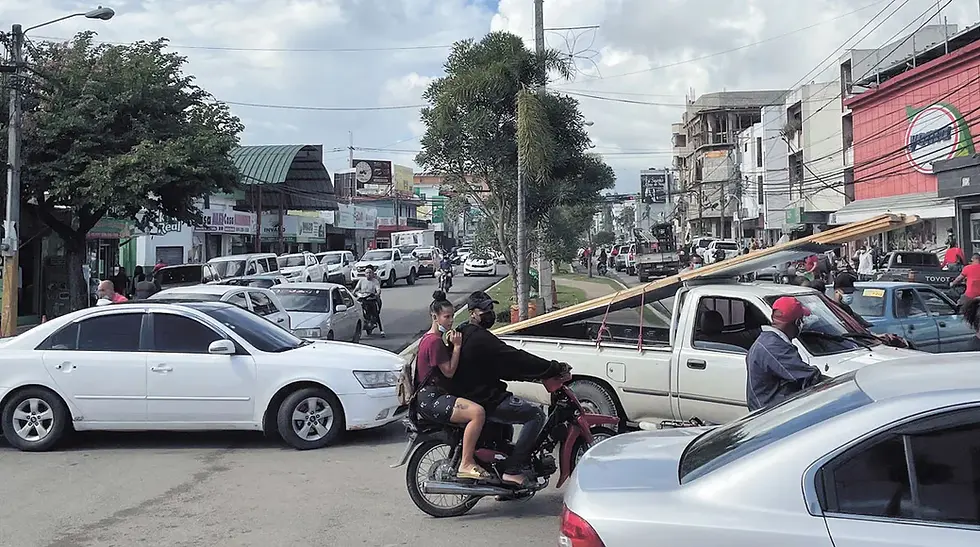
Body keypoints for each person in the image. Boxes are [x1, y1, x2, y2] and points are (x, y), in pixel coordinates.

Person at [449, 291, 566, 488]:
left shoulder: (466, 332)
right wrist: (552, 367)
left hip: (476, 393)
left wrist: (538, 374)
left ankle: (500, 477)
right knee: (535, 415)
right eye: (484, 310)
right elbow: (514, 358)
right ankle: (513, 469)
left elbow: (505, 366)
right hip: (485, 398)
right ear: (472, 313)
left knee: (509, 423)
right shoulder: (480, 339)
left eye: (491, 308)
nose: (490, 313)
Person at [416, 291, 489, 479]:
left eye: (452, 316)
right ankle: (466, 463)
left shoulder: (428, 338)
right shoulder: (433, 342)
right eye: (446, 317)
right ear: (435, 317)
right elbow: (449, 371)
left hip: (429, 396)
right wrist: (456, 347)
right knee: (478, 413)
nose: (450, 321)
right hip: (431, 399)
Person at [745, 296, 824, 411]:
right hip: (771, 414)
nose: (802, 323)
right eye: (801, 319)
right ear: (797, 322)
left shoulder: (767, 341)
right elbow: (808, 377)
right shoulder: (774, 348)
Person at [354, 265, 384, 336]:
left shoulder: (375, 281)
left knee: (376, 313)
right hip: (363, 298)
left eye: (370, 272)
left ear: (373, 273)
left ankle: (381, 330)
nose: (368, 274)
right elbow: (356, 288)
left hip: (372, 299)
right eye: (367, 272)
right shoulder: (361, 280)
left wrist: (377, 293)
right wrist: (354, 292)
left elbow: (378, 289)